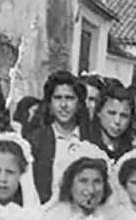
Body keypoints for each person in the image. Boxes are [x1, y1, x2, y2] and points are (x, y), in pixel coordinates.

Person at [28, 70, 90, 205]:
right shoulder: (36, 141)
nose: (63, 105)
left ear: (79, 103)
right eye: (58, 98)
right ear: (49, 103)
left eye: (69, 98)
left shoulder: (89, 138)